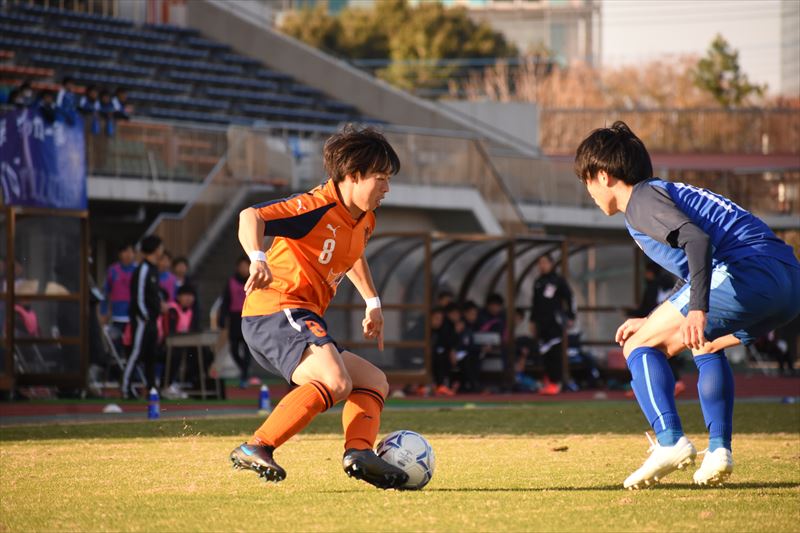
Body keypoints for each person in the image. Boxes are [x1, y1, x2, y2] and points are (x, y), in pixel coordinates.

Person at [574, 121, 800, 489]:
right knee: (705, 342)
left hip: (750, 272)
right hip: (789, 282)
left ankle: (669, 441)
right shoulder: (664, 193)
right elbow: (696, 262)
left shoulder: (641, 200)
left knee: (639, 345)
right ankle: (718, 452)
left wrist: (696, 309)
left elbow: (697, 241)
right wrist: (654, 316)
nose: (588, 191)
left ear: (603, 176)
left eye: (586, 180)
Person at [228, 125, 408, 489]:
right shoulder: (316, 205)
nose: (387, 188)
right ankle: (256, 446)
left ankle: (359, 453)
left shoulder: (365, 217)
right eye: (381, 178)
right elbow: (252, 216)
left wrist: (372, 302)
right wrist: (257, 257)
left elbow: (352, 254)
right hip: (276, 308)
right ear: (352, 175)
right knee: (336, 381)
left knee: (374, 381)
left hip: (302, 316)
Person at [122, 235, 167, 399]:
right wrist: (145, 315)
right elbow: (138, 295)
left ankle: (151, 389)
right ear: (155, 249)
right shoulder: (143, 269)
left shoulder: (153, 269)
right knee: (136, 353)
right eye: (160, 247)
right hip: (143, 320)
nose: (162, 250)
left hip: (152, 319)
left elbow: (152, 294)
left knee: (150, 355)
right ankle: (125, 388)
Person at [530, 254, 575, 395]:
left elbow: (570, 298)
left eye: (544, 262)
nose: (542, 266)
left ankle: (557, 382)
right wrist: (532, 321)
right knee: (544, 353)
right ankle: (548, 381)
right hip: (541, 323)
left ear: (551, 264)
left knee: (555, 353)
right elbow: (535, 304)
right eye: (540, 263)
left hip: (554, 323)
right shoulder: (538, 282)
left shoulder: (558, 281)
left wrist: (570, 316)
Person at [219, 255, 252, 388]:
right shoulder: (231, 282)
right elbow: (225, 301)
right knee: (233, 349)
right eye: (242, 266)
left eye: (246, 266)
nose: (244, 269)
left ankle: (244, 375)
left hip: (249, 318)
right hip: (234, 318)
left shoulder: (253, 280)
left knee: (247, 349)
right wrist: (222, 318)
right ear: (237, 268)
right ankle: (244, 369)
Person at [101, 243, 137, 355]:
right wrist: (103, 312)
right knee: (116, 348)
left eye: (131, 251)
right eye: (125, 251)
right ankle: (116, 372)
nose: (128, 254)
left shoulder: (138, 270)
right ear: (120, 254)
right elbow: (105, 293)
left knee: (132, 348)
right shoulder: (113, 270)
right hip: (116, 317)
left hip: (134, 317)